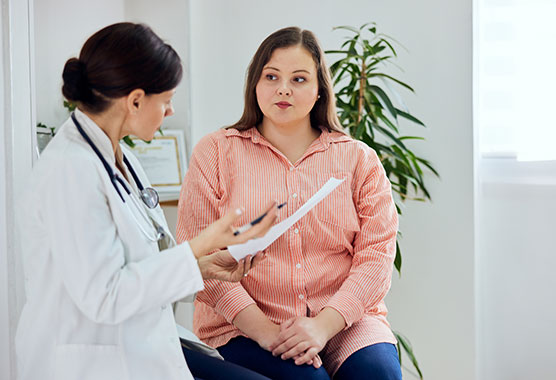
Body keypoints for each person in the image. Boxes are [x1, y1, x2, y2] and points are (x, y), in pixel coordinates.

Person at [15, 22, 277, 380]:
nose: (170, 112)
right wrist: (199, 246)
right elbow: (105, 296)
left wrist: (204, 267)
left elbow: (141, 263)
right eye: (167, 100)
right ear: (135, 100)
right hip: (90, 362)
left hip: (139, 344)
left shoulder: (121, 159)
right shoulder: (69, 171)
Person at [176, 26, 403, 380]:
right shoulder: (216, 152)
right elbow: (198, 256)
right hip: (244, 326)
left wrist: (324, 326)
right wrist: (268, 333)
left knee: (377, 375)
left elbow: (376, 258)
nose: (283, 88)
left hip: (345, 321)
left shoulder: (359, 160)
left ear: (319, 91)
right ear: (255, 84)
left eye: (299, 79)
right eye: (271, 76)